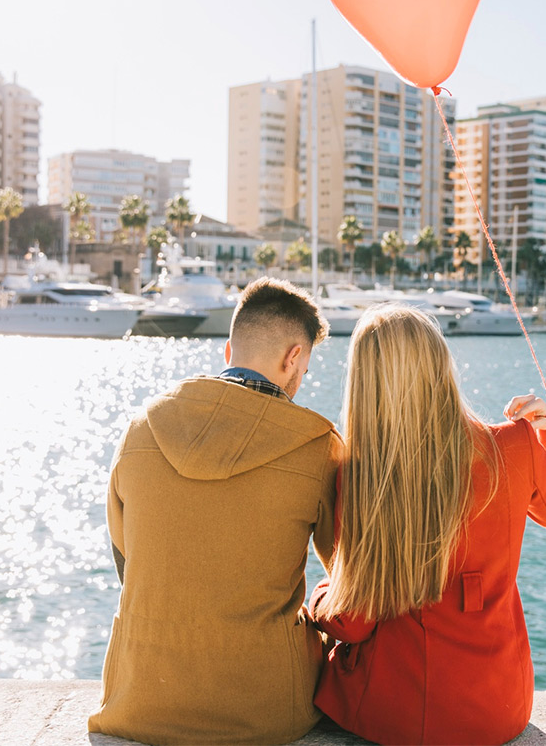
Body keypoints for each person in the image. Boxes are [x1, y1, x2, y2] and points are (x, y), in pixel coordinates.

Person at [306, 304, 546, 746]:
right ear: (442, 365)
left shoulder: (362, 473)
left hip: (395, 713)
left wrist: (320, 597)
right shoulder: (515, 445)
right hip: (498, 709)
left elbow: (354, 621)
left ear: (364, 384)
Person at [89, 277, 338, 746]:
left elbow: (127, 560)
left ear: (229, 352)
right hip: (267, 710)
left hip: (139, 699)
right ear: (294, 359)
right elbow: (347, 575)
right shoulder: (317, 446)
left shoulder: (140, 429)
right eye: (304, 367)